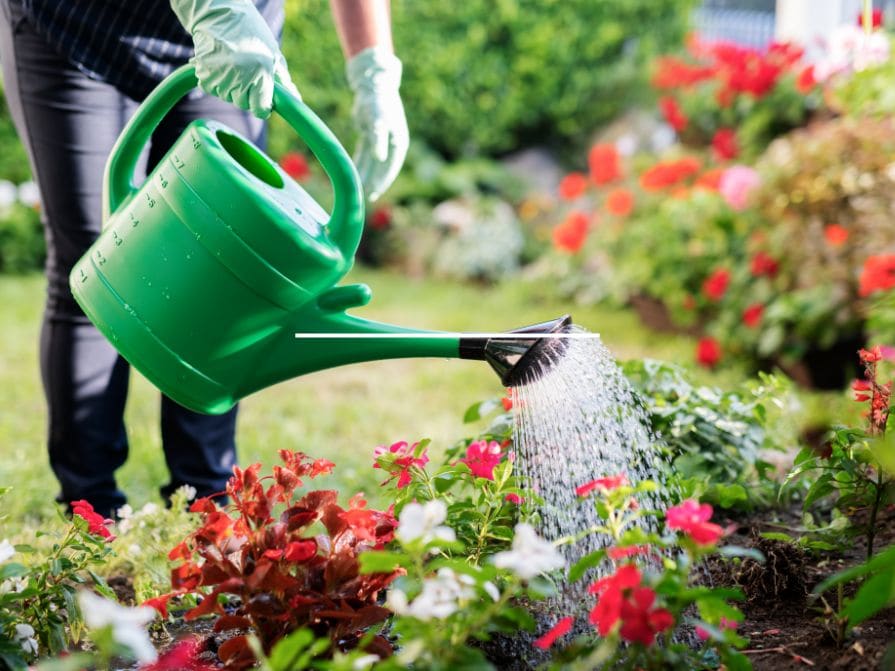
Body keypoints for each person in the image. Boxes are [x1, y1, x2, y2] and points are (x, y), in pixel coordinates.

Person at [0, 0, 408, 518]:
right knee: (96, 262)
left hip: (237, 35)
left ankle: (206, 499)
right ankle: (90, 509)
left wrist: (374, 70)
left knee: (228, 266)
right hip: (77, 28)